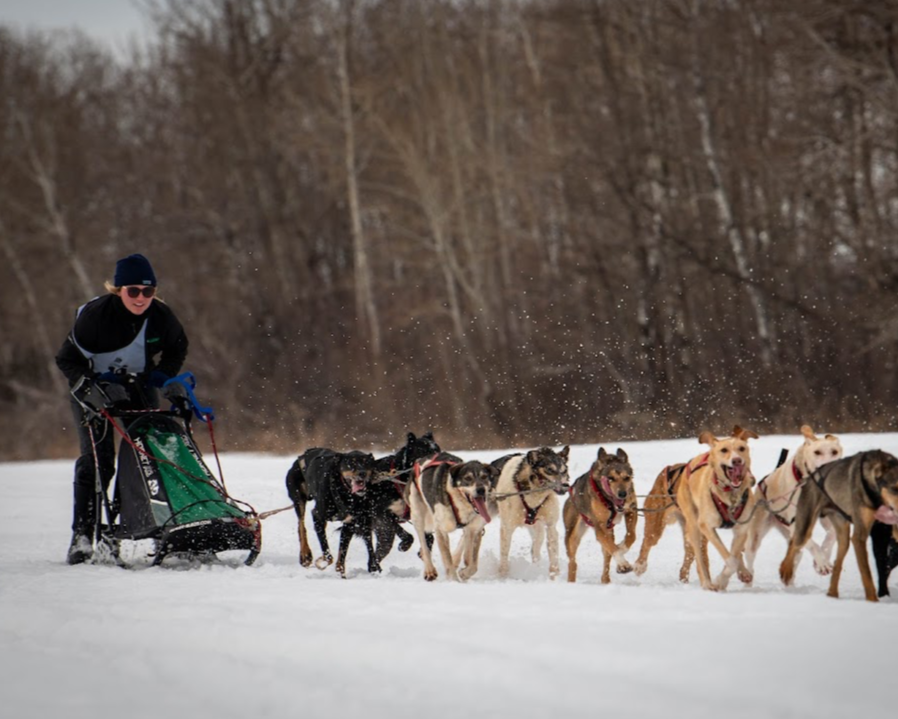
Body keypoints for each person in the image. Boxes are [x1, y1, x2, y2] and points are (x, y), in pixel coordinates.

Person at [55, 253, 189, 564]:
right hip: (92, 389)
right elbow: (66, 360)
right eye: (133, 291)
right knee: (99, 461)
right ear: (118, 290)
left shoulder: (161, 317)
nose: (141, 298)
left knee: (151, 454)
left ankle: (152, 525)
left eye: (148, 291)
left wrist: (163, 373)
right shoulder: (95, 318)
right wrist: (92, 388)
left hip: (137, 385)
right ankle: (83, 534)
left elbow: (178, 345)